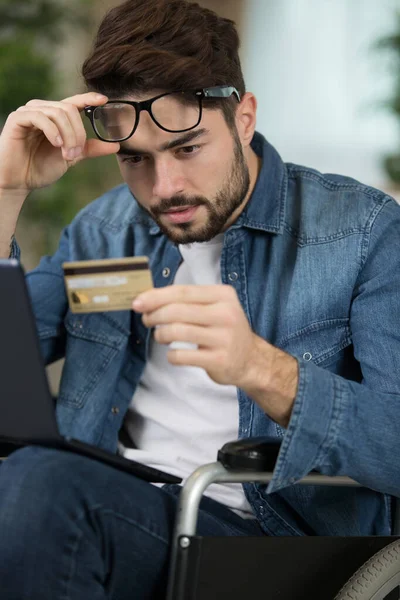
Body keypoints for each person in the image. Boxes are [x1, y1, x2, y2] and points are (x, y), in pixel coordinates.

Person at [0, 0, 400, 597]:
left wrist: (260, 368)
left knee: (44, 485)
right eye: (137, 161)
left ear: (243, 118)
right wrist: (5, 191)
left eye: (188, 149)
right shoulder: (105, 232)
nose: (165, 190)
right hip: (103, 508)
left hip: (263, 543)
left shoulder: (364, 232)